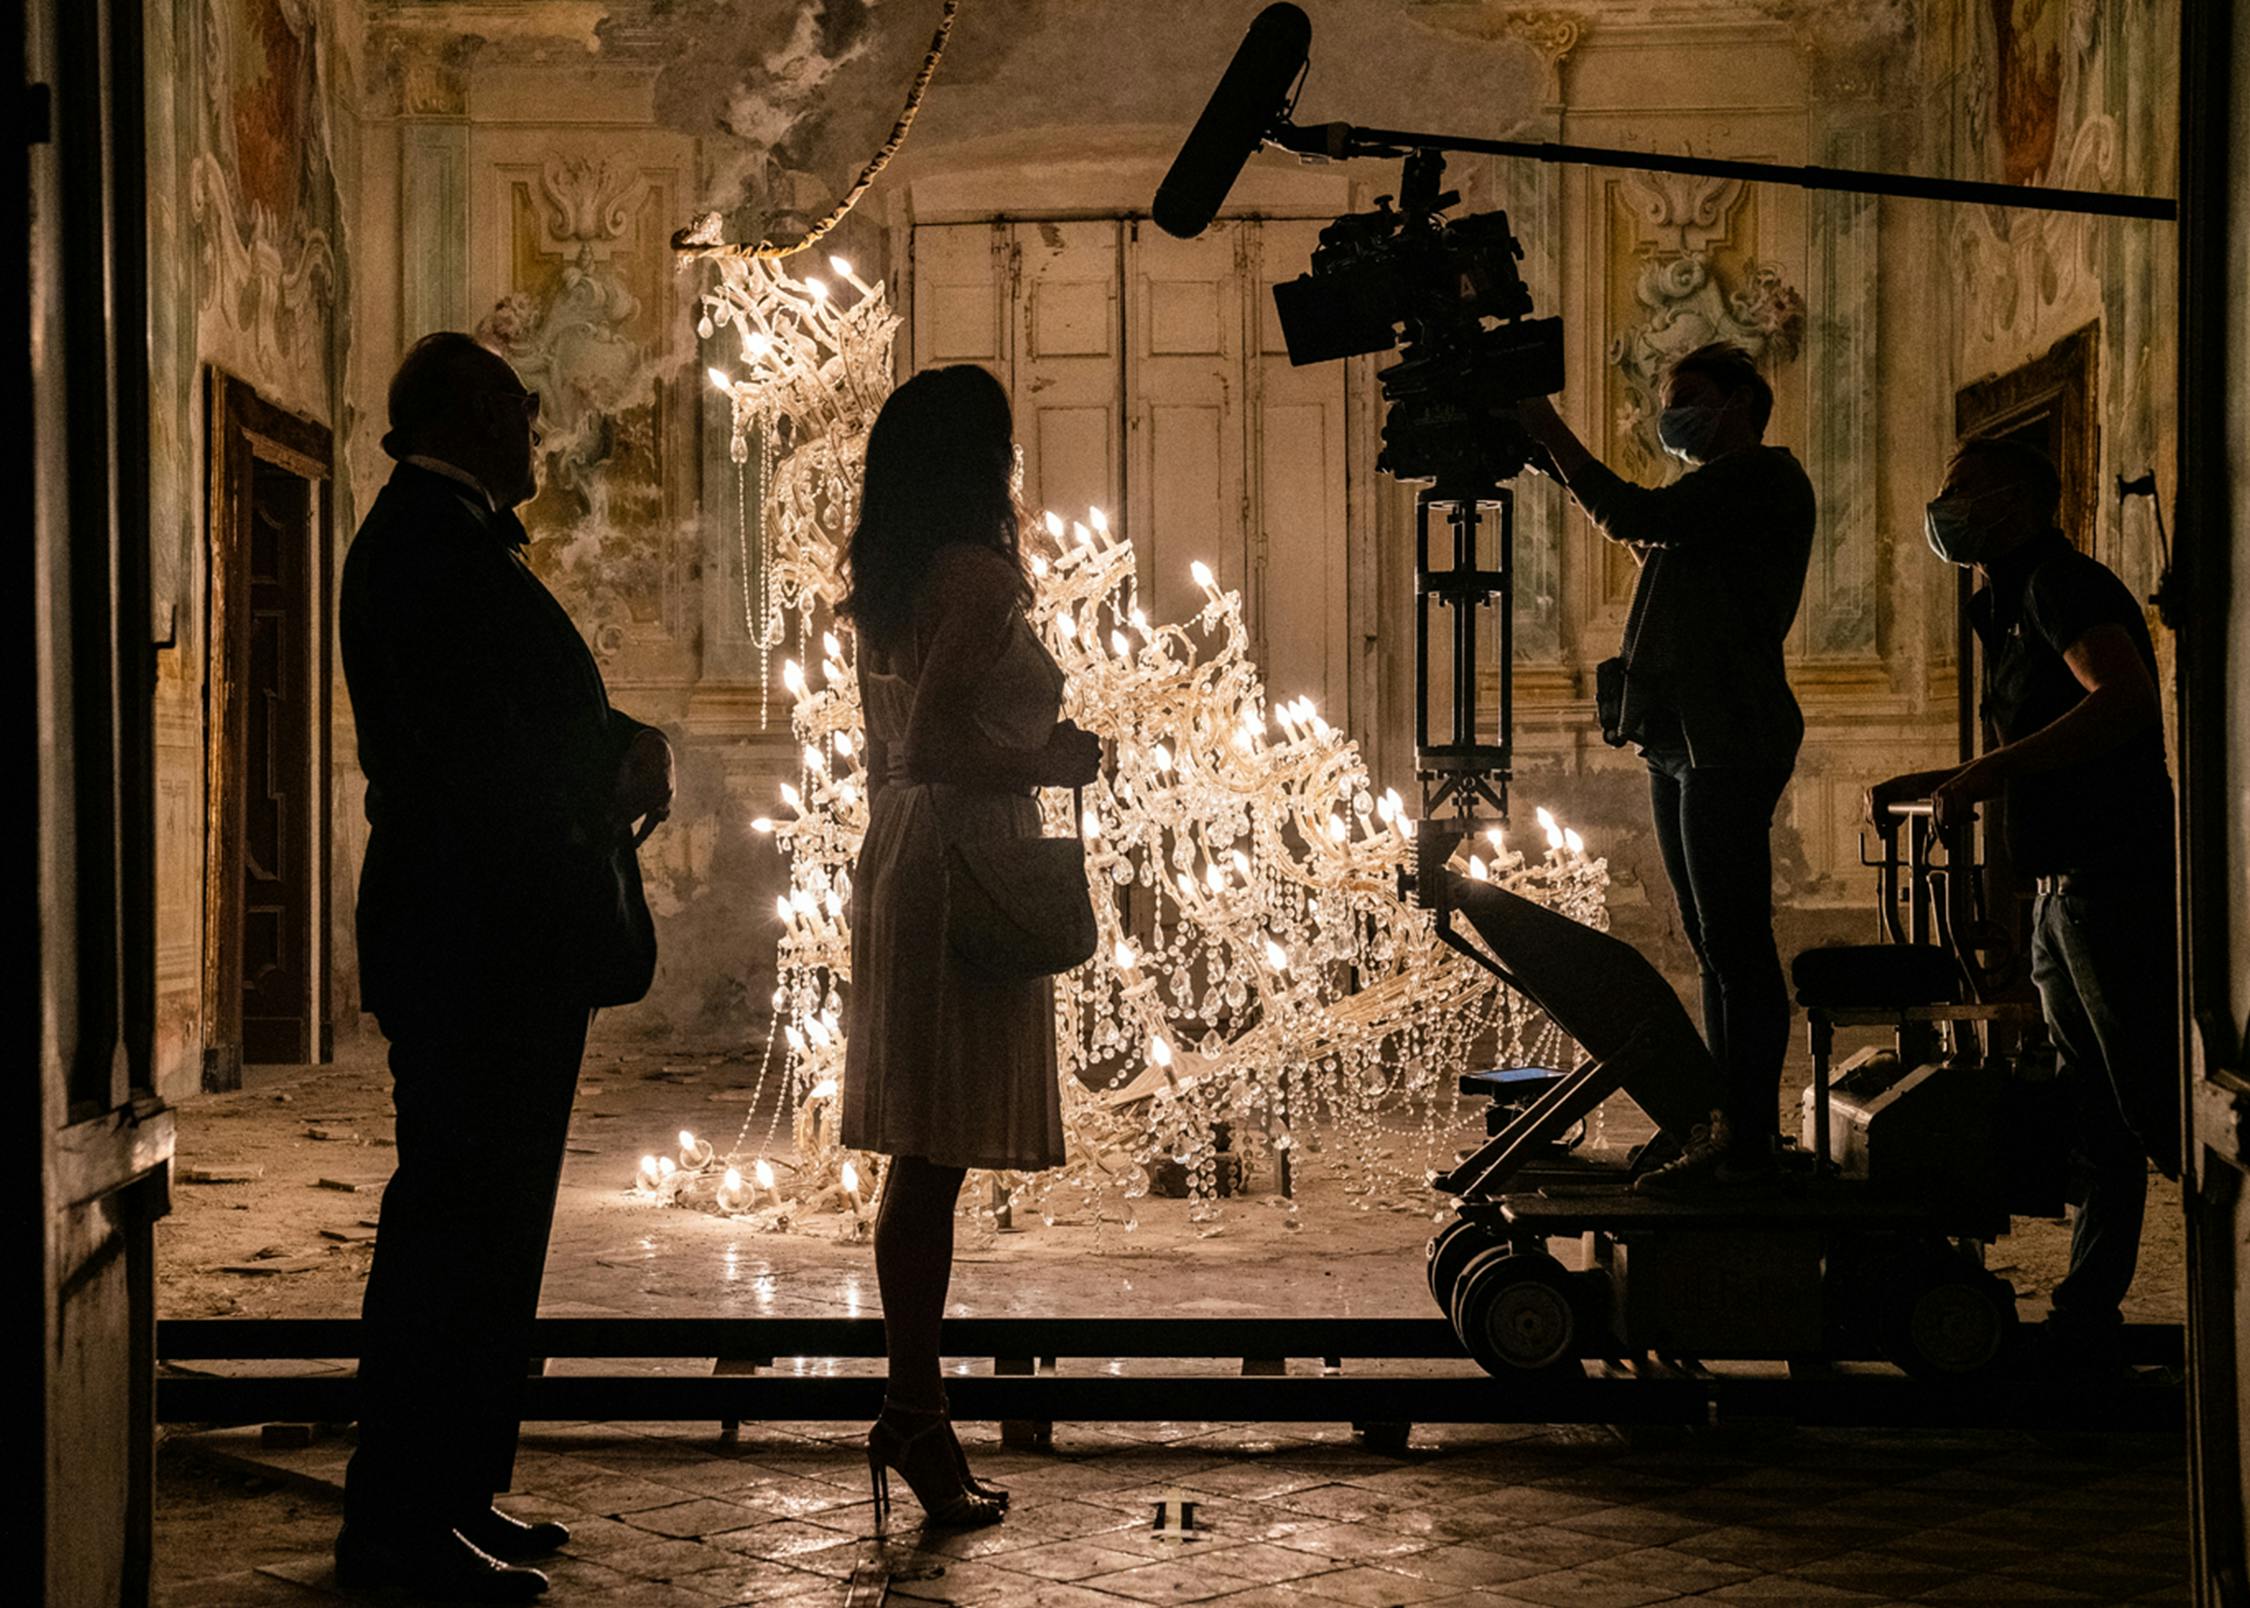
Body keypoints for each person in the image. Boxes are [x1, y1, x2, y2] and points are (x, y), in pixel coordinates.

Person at [337, 332, 674, 1601]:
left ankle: (456, 1495)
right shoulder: (428, 544)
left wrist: (619, 740)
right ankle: (398, 1527)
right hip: (474, 941)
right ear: (473, 416)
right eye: (523, 410)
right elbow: (473, 755)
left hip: (491, 941)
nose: (538, 431)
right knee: (453, 1238)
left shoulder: (448, 536)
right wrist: (611, 767)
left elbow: (526, 716)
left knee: (490, 1235)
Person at [838, 364, 1101, 1527]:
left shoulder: (888, 577)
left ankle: (915, 1408)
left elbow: (898, 746)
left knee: (921, 1152)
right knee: (931, 1153)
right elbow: (938, 740)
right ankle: (914, 1416)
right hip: (961, 855)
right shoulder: (979, 576)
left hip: (906, 851)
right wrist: (1054, 761)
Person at [1868, 436, 2177, 1361]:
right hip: (2057, 894)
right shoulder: (1998, 606)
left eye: (1960, 490)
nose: (1944, 506)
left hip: (2109, 880)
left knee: (2149, 1101)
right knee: (2096, 1110)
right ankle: (2088, 1312)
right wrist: (1937, 778)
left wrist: (1985, 771)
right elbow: (2029, 743)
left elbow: (2122, 699)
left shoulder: (2060, 585)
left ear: (2016, 501)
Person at [1513, 342, 1816, 1190]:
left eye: (1690, 397)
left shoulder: (1759, 479)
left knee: (1735, 944)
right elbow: (1658, 546)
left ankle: (1747, 1134)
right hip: (1686, 737)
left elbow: (1632, 515)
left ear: (1742, 401)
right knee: (1712, 943)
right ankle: (1720, 1121)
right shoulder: (1718, 506)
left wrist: (1551, 431)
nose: (1673, 413)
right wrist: (1551, 462)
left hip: (1730, 735)